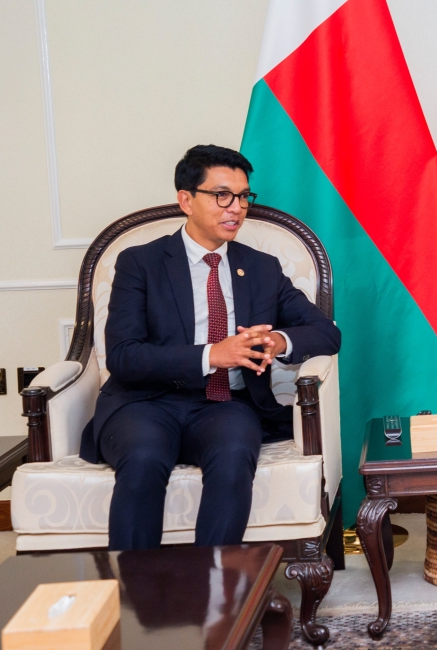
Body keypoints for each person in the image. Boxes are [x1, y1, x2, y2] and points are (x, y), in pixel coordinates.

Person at [79, 144, 341, 550]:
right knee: (145, 458)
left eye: (243, 196)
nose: (235, 208)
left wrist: (277, 340)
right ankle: (132, 595)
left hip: (227, 405)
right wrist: (211, 355)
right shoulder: (141, 263)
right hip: (144, 403)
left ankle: (216, 592)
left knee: (235, 453)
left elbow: (326, 333)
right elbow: (124, 355)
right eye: (222, 195)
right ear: (186, 200)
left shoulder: (261, 268)